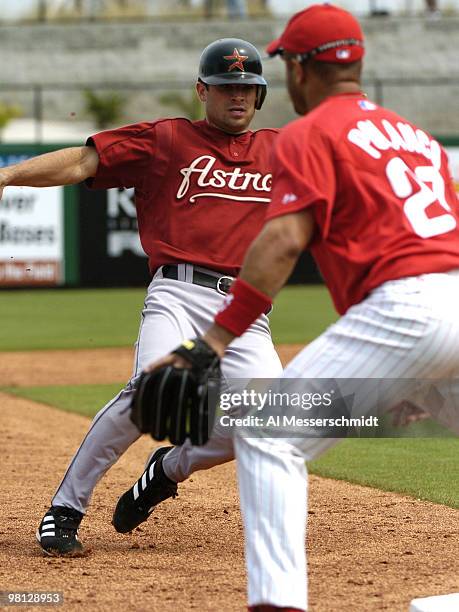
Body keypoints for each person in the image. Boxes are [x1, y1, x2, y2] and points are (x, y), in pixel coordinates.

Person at [148, 4, 459, 611]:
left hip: (407, 307)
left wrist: (212, 341)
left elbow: (284, 240)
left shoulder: (311, 133)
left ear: (300, 69)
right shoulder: (419, 137)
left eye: (285, 60)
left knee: (266, 429)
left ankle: (277, 604)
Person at [0, 38, 283, 556]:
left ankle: (167, 469)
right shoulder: (167, 139)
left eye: (248, 87)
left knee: (270, 420)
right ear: (203, 90)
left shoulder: (283, 151)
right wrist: (9, 175)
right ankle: (66, 507)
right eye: (226, 86)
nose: (237, 96)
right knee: (150, 390)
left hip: (246, 308)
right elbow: (83, 163)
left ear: (260, 95)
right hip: (177, 291)